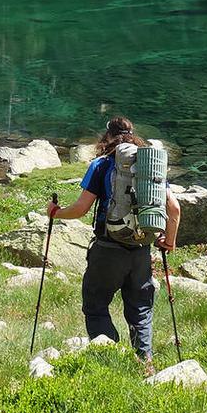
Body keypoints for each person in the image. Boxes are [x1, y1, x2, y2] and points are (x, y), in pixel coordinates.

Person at [46, 115, 181, 363]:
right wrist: (169, 241)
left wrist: (56, 212)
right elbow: (174, 209)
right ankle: (145, 364)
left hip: (107, 248)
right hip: (141, 250)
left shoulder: (101, 165)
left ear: (107, 137)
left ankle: (110, 359)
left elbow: (81, 209)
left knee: (95, 306)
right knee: (140, 310)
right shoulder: (150, 166)